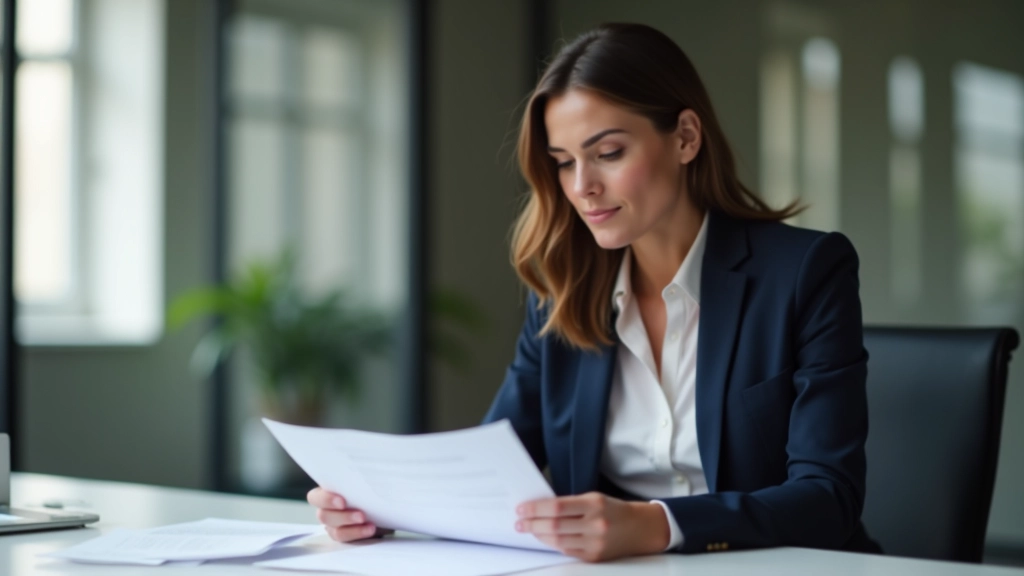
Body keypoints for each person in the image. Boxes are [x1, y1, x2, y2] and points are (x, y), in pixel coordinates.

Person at [307, 22, 881, 562]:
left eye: (608, 153)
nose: (582, 188)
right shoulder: (562, 293)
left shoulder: (806, 271)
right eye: (562, 163)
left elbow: (826, 497)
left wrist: (658, 525)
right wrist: (379, 508)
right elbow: (490, 474)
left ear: (685, 137)